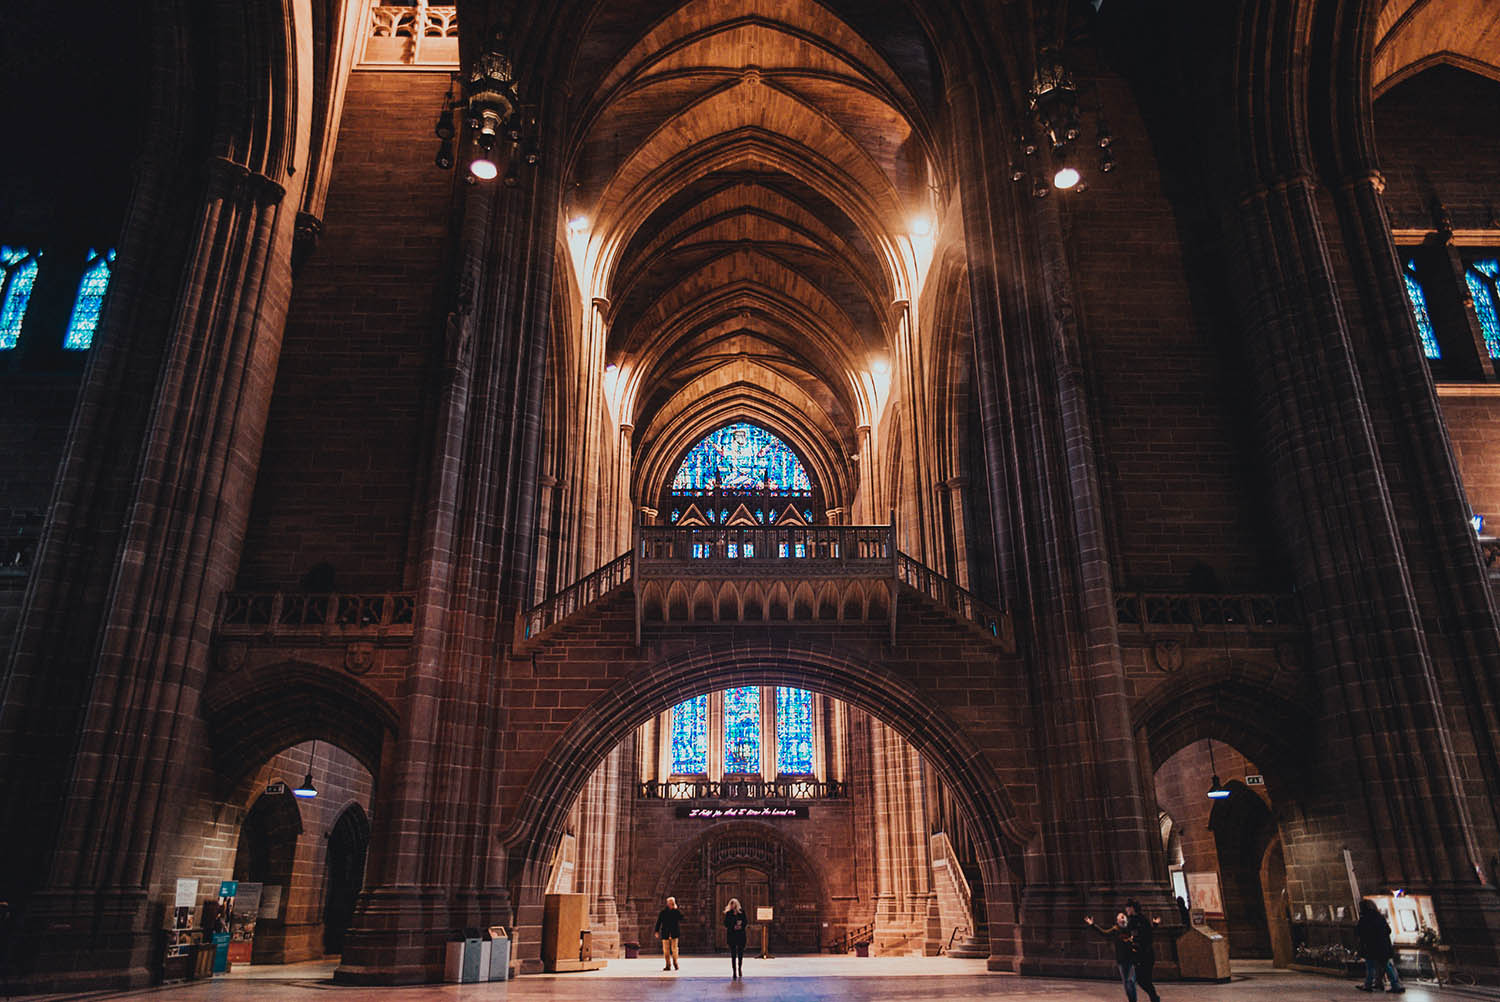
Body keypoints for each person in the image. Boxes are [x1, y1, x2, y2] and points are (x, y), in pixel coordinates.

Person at [1086, 911, 1139, 1002]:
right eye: (1120, 918)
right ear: (1118, 921)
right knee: (1126, 983)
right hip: (1121, 960)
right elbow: (1104, 933)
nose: (1122, 919)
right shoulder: (1115, 930)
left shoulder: (1131, 929)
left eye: (1123, 917)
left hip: (1131, 960)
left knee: (1130, 981)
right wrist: (1092, 925)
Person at [1356, 899, 1405, 994]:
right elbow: (1388, 930)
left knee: (1370, 966)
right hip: (1383, 946)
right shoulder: (1379, 917)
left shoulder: (1364, 918)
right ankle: (1395, 985)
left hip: (1370, 947)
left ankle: (1368, 984)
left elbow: (1359, 932)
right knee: (1387, 966)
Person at [1124, 900, 1162, 1002]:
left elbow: (1148, 935)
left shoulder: (1141, 920)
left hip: (1145, 954)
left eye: (1127, 907)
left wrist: (1135, 940)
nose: (1126, 910)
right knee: (1142, 980)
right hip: (1138, 955)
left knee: (1144, 979)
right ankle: (1154, 997)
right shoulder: (1132, 920)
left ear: (1132, 908)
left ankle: (1154, 998)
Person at [655, 895, 684, 971]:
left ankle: (675, 963)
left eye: (673, 903)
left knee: (674, 949)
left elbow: (682, 918)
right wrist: (656, 931)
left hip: (674, 933)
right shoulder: (663, 912)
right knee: (666, 950)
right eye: (670, 903)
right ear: (667, 904)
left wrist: (677, 909)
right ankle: (668, 964)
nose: (671, 904)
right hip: (665, 933)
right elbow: (659, 922)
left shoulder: (676, 911)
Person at [723, 897, 748, 978]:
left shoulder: (741, 912)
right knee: (733, 954)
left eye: (734, 904)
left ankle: (740, 968)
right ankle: (734, 971)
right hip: (732, 935)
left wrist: (741, 926)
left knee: (740, 953)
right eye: (732, 903)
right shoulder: (728, 913)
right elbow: (726, 923)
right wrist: (733, 926)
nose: (733, 905)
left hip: (740, 935)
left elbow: (745, 922)